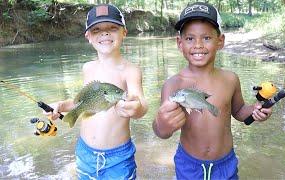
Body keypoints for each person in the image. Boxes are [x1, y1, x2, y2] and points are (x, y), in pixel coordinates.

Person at [152, 2, 272, 180]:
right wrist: (161, 125)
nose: (198, 45)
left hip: (225, 164)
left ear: (220, 41)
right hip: (188, 164)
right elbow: (162, 131)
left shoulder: (230, 79)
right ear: (180, 43)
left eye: (206, 38)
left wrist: (256, 110)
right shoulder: (173, 84)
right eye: (190, 38)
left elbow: (239, 111)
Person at [45, 4, 148, 179]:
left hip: (119, 158)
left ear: (124, 32)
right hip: (85, 154)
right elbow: (82, 102)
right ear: (88, 36)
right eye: (97, 29)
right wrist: (61, 105)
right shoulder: (88, 68)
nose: (105, 33)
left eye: (112, 28)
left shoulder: (130, 70)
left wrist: (136, 108)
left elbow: (141, 103)